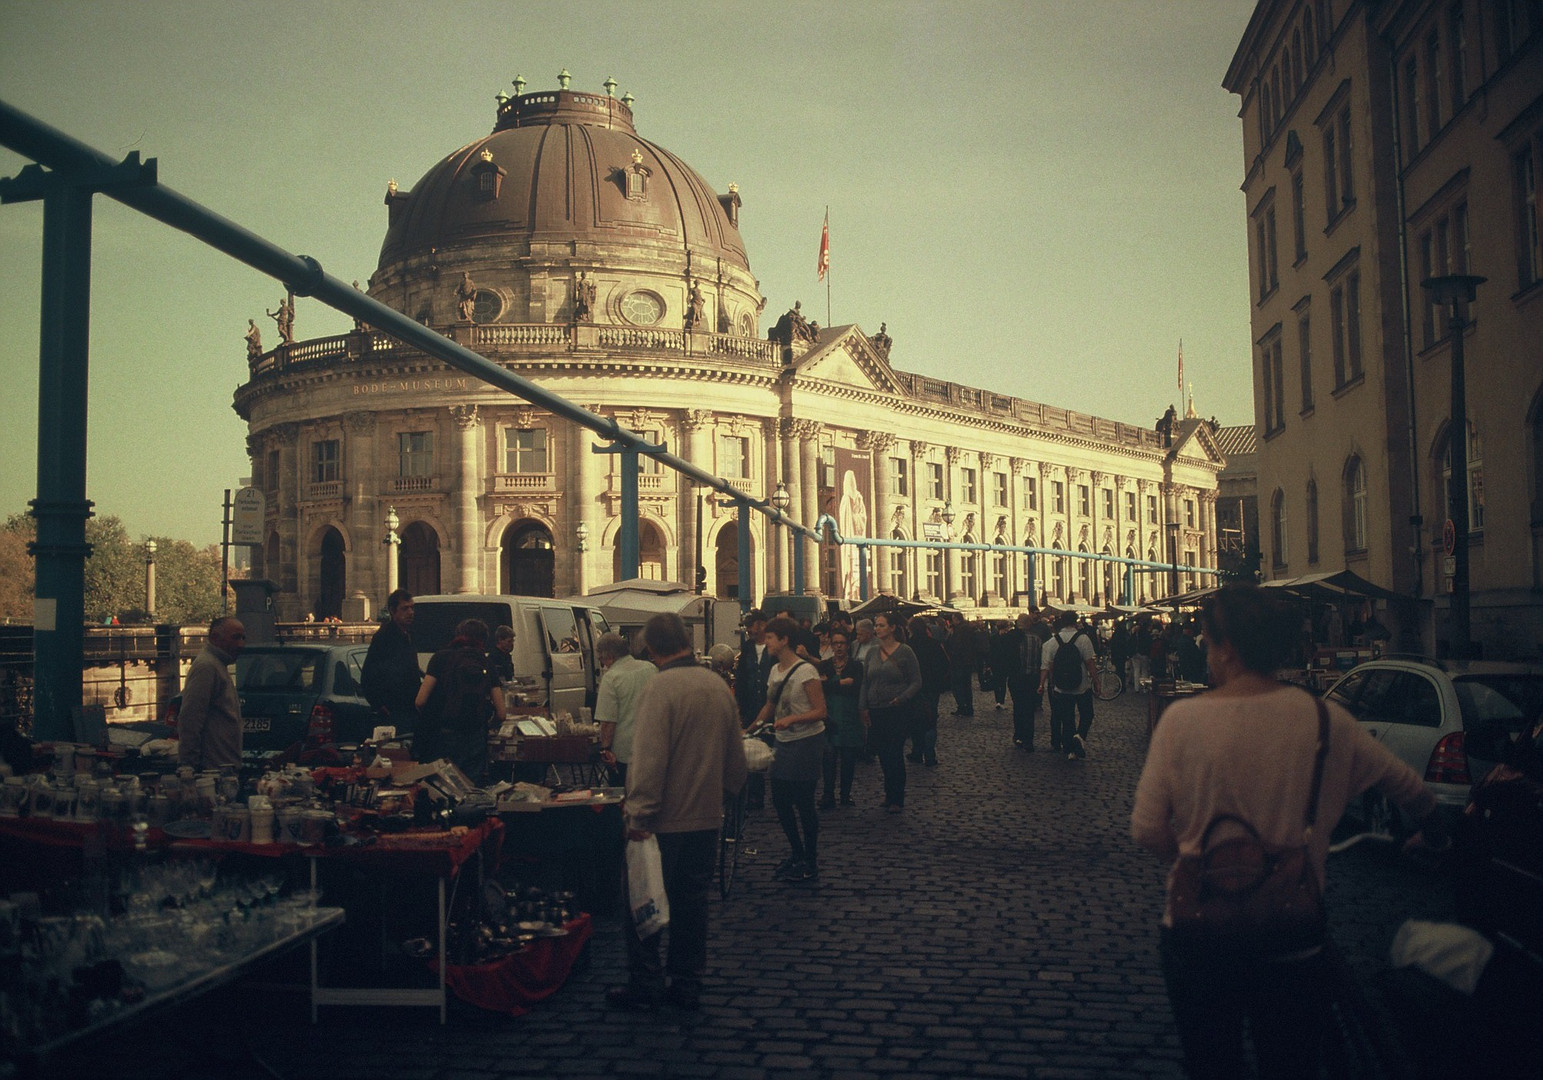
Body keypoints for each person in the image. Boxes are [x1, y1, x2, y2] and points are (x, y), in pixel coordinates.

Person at [1132, 585, 1447, 1080]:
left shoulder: (1181, 721)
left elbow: (1148, 829)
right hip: (1291, 935)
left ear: (1228, 649)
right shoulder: (1325, 720)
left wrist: (1196, 857)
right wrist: (1432, 834)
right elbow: (1414, 792)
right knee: (1291, 1062)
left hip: (1200, 937)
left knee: (1211, 1064)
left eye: (1209, 642)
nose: (1208, 654)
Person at [609, 613, 748, 1012]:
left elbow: (649, 759)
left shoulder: (660, 688)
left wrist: (639, 814)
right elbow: (736, 759)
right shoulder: (717, 685)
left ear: (651, 648)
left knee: (644, 900)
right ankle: (687, 982)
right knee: (692, 904)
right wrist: (723, 795)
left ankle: (645, 981)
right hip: (705, 819)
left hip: (661, 823)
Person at [753, 617, 827, 882]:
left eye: (770, 637)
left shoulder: (806, 671)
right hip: (784, 743)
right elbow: (769, 706)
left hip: (807, 741)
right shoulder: (775, 671)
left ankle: (810, 859)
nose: (766, 642)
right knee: (781, 800)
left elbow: (820, 711)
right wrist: (750, 729)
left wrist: (792, 719)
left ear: (784, 640)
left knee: (804, 802)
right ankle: (796, 853)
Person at [414, 618, 505, 781]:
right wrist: (487, 726)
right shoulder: (485, 662)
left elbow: (420, 701)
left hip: (444, 732)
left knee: (444, 783)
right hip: (475, 734)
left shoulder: (440, 658)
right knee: (471, 784)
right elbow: (501, 713)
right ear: (483, 640)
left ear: (457, 635)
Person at [858, 613, 922, 811]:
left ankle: (897, 797)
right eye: (876, 625)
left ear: (892, 628)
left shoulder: (905, 652)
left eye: (881, 625)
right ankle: (888, 792)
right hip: (876, 710)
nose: (877, 629)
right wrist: (863, 706)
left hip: (896, 710)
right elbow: (865, 682)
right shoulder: (871, 653)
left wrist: (902, 698)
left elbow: (916, 681)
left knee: (894, 753)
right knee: (883, 755)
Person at [178, 617, 246, 770]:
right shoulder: (207, 667)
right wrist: (190, 765)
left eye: (243, 638)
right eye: (235, 638)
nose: (241, 644)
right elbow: (191, 717)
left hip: (222, 767)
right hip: (213, 770)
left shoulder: (217, 664)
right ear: (215, 638)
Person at [594, 631, 657, 786]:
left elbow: (608, 721)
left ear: (610, 656)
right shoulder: (650, 668)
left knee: (623, 798)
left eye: (601, 659)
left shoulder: (611, 678)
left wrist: (605, 749)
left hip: (625, 753)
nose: (603, 664)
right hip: (653, 748)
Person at [361, 589, 423, 735]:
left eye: (412, 608)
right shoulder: (384, 637)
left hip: (409, 707)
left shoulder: (408, 634)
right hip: (393, 710)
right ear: (392, 611)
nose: (410, 612)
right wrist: (379, 704)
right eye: (405, 608)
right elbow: (368, 675)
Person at [1040, 611, 1097, 759]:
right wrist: (1096, 681)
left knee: (1067, 718)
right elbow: (1090, 662)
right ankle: (1079, 736)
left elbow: (1046, 666)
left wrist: (1042, 684)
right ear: (1076, 622)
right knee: (1087, 714)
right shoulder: (1084, 639)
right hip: (1082, 685)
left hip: (1061, 686)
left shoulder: (1052, 641)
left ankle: (1069, 749)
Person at [818, 628, 865, 808]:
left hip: (850, 716)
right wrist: (840, 682)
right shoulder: (825, 665)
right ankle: (828, 795)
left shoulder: (855, 666)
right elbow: (820, 688)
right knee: (828, 758)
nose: (839, 647)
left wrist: (830, 683)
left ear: (847, 645)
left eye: (842, 643)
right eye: (835, 643)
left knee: (848, 759)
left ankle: (845, 795)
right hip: (830, 716)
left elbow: (856, 687)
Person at [734, 610, 773, 809]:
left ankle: (778, 793)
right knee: (754, 751)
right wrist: (739, 704)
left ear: (761, 625)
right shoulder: (748, 648)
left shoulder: (774, 647)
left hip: (773, 708)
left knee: (775, 750)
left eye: (751, 625)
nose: (748, 630)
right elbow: (741, 677)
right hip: (751, 707)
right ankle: (755, 795)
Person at [906, 617, 949, 766]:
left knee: (915, 721)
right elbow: (945, 664)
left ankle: (917, 752)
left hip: (913, 689)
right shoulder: (934, 644)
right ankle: (930, 755)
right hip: (931, 688)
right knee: (930, 721)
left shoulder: (908, 646)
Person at [1005, 612, 1044, 750]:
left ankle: (1019, 735)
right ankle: (1029, 739)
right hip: (1032, 678)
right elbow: (1041, 661)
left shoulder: (1011, 638)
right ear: (1029, 624)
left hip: (1016, 678)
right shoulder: (1037, 640)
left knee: (1018, 706)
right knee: (1029, 709)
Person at [945, 614, 981, 717]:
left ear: (956, 619)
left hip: (959, 662)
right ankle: (969, 707)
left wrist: (950, 635)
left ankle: (962, 707)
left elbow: (956, 646)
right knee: (967, 686)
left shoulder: (959, 630)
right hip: (968, 661)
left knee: (958, 685)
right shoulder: (969, 628)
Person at [987, 622, 1016, 711]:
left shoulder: (993, 638)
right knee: (1002, 682)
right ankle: (1001, 701)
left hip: (995, 663)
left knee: (997, 682)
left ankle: (998, 701)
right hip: (1004, 663)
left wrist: (989, 664)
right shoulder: (1008, 638)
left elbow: (990, 652)